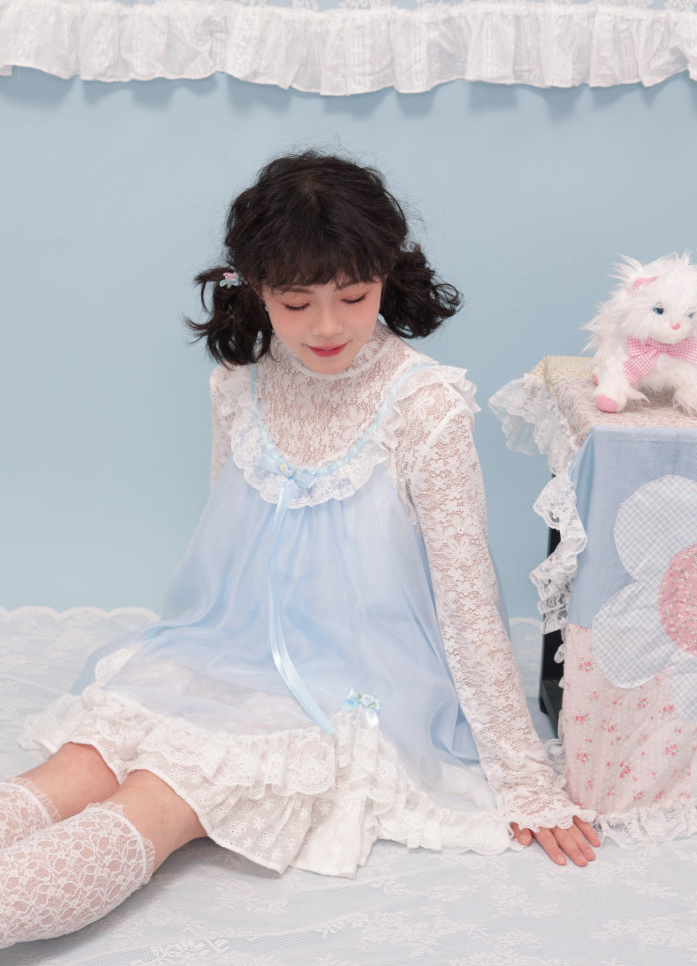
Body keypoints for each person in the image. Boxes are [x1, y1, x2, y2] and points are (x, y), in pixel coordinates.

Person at [0, 151, 598, 948]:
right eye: (294, 302)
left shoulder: (425, 406)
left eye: (353, 297)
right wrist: (202, 653)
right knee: (78, 764)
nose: (327, 327)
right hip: (221, 646)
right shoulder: (239, 382)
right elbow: (226, 545)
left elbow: (467, 596)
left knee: (162, 792)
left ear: (386, 276)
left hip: (350, 682)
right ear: (255, 289)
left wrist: (524, 775)